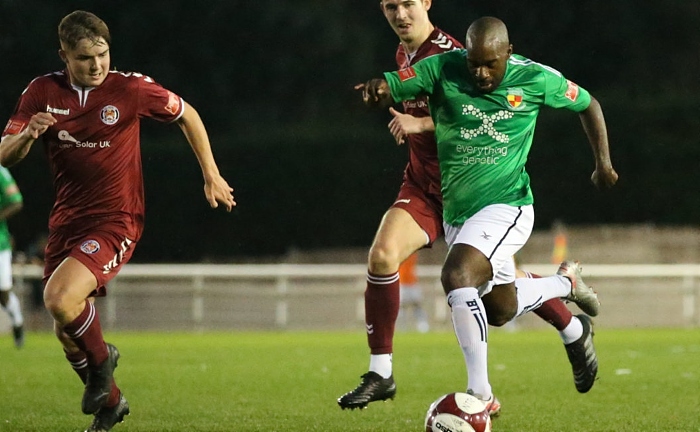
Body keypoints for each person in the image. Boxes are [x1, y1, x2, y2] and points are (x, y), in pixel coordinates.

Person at [337, 1, 604, 412]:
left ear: (426, 2)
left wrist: (603, 163)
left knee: (459, 276)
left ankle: (479, 397)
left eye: (408, 3)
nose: (400, 14)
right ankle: (566, 292)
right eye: (391, 6)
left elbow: (472, 109)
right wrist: (378, 88)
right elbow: (403, 87)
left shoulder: (455, 56)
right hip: (438, 190)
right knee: (498, 306)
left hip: (498, 198)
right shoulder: (418, 58)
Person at [0, 10, 235, 432]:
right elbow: (5, 154)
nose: (97, 65)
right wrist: (28, 136)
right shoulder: (41, 91)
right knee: (65, 329)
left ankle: (104, 359)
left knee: (58, 299)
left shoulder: (130, 88)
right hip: (67, 221)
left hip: (116, 219)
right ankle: (111, 402)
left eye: (103, 54)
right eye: (85, 58)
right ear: (64, 56)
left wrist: (211, 174)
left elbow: (188, 114)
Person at [0, 166, 25, 348]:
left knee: (3, 292)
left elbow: (16, 201)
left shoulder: (1, 172)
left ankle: (17, 322)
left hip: (0, 244)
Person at [396, 252, 430, 333]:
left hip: (412, 283)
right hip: (402, 283)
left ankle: (422, 326)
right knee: (401, 307)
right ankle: (402, 328)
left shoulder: (410, 252)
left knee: (417, 305)